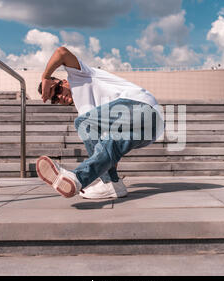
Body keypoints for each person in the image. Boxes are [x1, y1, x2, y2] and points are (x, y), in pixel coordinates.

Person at [36, 46, 164, 200]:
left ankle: (99, 181)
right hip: (151, 130)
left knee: (82, 123)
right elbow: (105, 152)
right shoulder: (88, 112)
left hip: (141, 108)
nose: (59, 97)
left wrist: (45, 77)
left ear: (63, 82)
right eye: (55, 99)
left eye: (57, 90)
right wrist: (109, 170)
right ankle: (109, 184)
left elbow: (61, 53)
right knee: (109, 143)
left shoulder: (79, 76)